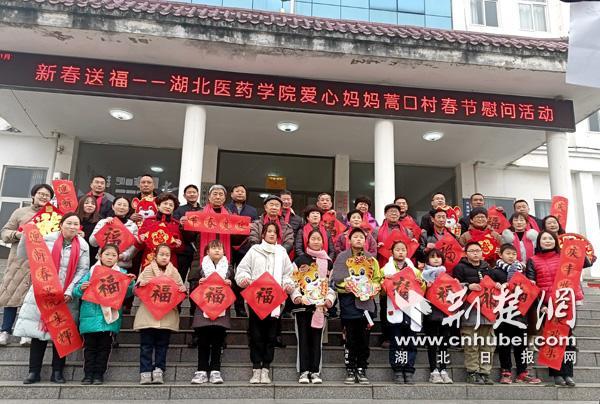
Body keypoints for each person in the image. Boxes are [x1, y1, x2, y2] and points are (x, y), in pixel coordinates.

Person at [14, 212, 90, 384]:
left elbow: (82, 271)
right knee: (38, 334)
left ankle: (57, 371)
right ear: (61, 224)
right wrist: (26, 236)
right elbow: (24, 255)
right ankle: (34, 372)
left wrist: (70, 291)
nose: (72, 227)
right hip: (43, 291)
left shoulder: (83, 246)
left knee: (61, 334)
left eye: (75, 224)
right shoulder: (46, 239)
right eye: (69, 223)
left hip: (66, 296)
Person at [235, 222, 295, 384]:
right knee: (256, 334)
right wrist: (244, 279)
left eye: (274, 232)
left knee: (271, 335)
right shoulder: (254, 250)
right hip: (256, 299)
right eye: (269, 231)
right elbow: (242, 270)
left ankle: (266, 368)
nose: (272, 234)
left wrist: (287, 285)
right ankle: (256, 368)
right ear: (263, 234)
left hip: (274, 300)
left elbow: (288, 274)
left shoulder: (281, 252)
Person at [73, 244, 136, 385]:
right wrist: (81, 288)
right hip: (90, 316)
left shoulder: (122, 273)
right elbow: (75, 291)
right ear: (100, 256)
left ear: (118, 258)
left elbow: (127, 294)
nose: (110, 257)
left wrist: (130, 284)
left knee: (104, 348)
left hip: (109, 319)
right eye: (107, 254)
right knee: (89, 349)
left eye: (114, 255)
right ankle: (88, 374)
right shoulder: (91, 272)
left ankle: (98, 375)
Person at [0, 184, 54, 347]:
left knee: (32, 300)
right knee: (12, 295)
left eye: (47, 195)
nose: (43, 197)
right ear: (33, 195)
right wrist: (18, 234)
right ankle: (5, 331)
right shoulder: (20, 212)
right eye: (40, 193)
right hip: (19, 260)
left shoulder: (52, 216)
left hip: (41, 262)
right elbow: (4, 232)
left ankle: (26, 333)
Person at [526, 231, 581, 387]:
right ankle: (556, 374)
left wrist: (575, 245)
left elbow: (586, 262)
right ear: (539, 242)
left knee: (568, 340)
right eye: (544, 238)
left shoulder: (564, 257)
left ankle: (568, 374)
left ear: (556, 241)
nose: (547, 241)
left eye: (550, 238)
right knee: (552, 339)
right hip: (547, 305)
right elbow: (531, 286)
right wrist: (541, 305)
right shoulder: (533, 260)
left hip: (565, 303)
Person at [331, 228, 382, 385]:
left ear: (365, 241)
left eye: (361, 237)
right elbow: (336, 280)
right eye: (355, 237)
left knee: (364, 339)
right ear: (349, 240)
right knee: (350, 339)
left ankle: (362, 368)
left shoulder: (371, 259)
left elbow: (377, 279)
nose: (358, 239)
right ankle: (350, 368)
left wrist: (373, 287)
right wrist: (345, 287)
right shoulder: (342, 257)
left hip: (366, 305)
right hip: (348, 304)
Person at [452, 241, 505, 385]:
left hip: (487, 313)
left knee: (487, 344)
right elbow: (454, 286)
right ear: (466, 253)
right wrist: (468, 286)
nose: (475, 253)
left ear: (482, 253)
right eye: (472, 251)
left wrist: (498, 285)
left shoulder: (488, 268)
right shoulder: (460, 268)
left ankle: (485, 372)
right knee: (471, 344)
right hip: (469, 311)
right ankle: (472, 372)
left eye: (478, 250)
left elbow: (495, 286)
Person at [134, 244, 186, 385]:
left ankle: (159, 370)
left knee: (162, 345)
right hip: (148, 314)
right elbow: (136, 289)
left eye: (167, 255)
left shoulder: (174, 272)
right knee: (146, 345)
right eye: (161, 254)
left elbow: (180, 290)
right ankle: (145, 372)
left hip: (166, 315)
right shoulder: (147, 269)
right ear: (155, 256)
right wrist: (141, 284)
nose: (164, 257)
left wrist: (182, 290)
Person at [291, 230, 336, 384]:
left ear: (323, 242)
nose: (316, 241)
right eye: (313, 239)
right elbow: (293, 282)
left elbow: (331, 285)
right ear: (307, 241)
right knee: (303, 339)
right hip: (302, 307)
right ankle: (304, 371)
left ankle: (315, 372)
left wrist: (329, 299)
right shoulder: (299, 261)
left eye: (319, 239)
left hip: (320, 308)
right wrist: (297, 297)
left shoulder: (328, 263)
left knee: (317, 340)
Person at [494, 243, 541, 385]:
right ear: (500, 255)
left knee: (521, 344)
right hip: (502, 313)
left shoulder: (522, 272)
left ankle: (522, 372)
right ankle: (506, 372)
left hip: (520, 313)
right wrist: (496, 286)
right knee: (504, 344)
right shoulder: (495, 272)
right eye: (508, 253)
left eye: (514, 254)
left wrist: (530, 284)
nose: (511, 256)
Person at [381, 239, 426, 385]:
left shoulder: (415, 271)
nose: (400, 252)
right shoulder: (385, 270)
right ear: (392, 252)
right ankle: (398, 370)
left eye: (403, 250)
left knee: (410, 343)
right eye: (397, 249)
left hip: (411, 310)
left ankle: (409, 370)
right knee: (396, 342)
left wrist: (421, 283)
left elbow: (422, 290)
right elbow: (381, 291)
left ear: (407, 252)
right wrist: (384, 282)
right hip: (395, 309)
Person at [190, 239, 233, 385]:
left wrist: (229, 283)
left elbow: (231, 285)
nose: (217, 250)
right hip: (203, 306)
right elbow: (193, 286)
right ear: (207, 251)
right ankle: (201, 370)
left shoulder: (228, 267)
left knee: (217, 340)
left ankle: (215, 370)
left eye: (220, 248)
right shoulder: (201, 266)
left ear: (224, 252)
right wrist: (199, 282)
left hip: (221, 306)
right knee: (203, 340)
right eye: (213, 248)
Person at [421, 249, 453, 384]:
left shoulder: (447, 275)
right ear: (427, 260)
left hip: (445, 312)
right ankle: (434, 370)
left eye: (438, 257)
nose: (436, 259)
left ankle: (444, 369)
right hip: (430, 312)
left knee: (444, 342)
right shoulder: (423, 275)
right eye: (432, 257)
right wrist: (425, 286)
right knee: (432, 342)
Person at [226, 184, 258, 317]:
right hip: (227, 247)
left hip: (245, 248)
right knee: (227, 276)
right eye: (237, 191)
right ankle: (226, 306)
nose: (240, 193)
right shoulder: (225, 208)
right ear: (231, 194)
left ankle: (240, 307)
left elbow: (255, 228)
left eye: (242, 192)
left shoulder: (252, 210)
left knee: (241, 278)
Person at [137, 192, 183, 269]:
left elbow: (181, 248)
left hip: (169, 262)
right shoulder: (148, 221)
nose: (168, 206)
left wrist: (178, 245)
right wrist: (140, 240)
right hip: (149, 259)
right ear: (158, 205)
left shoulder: (176, 224)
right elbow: (140, 245)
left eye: (171, 205)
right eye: (165, 203)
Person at [173, 184, 201, 288]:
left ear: (198, 194)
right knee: (180, 277)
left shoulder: (203, 211)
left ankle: (193, 299)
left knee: (196, 279)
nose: (192, 194)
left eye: (194, 192)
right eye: (189, 192)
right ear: (184, 195)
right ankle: (178, 298)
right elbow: (175, 227)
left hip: (198, 252)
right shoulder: (179, 210)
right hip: (183, 250)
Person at [75, 195, 101, 262]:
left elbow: (98, 241)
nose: (90, 205)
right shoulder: (74, 218)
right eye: (86, 203)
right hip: (74, 251)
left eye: (93, 204)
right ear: (81, 204)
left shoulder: (99, 221)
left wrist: (85, 235)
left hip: (91, 254)